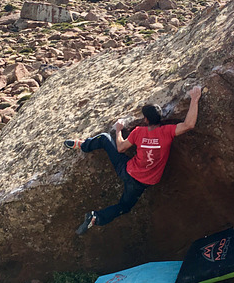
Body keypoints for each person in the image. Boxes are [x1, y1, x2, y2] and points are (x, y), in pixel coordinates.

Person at [65, 86, 202, 235]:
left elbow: (120, 148)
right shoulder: (167, 132)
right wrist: (195, 99)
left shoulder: (139, 132)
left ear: (146, 119)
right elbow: (189, 124)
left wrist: (118, 129)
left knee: (104, 138)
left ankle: (82, 145)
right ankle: (96, 217)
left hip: (127, 171)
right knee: (124, 206)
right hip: (142, 183)